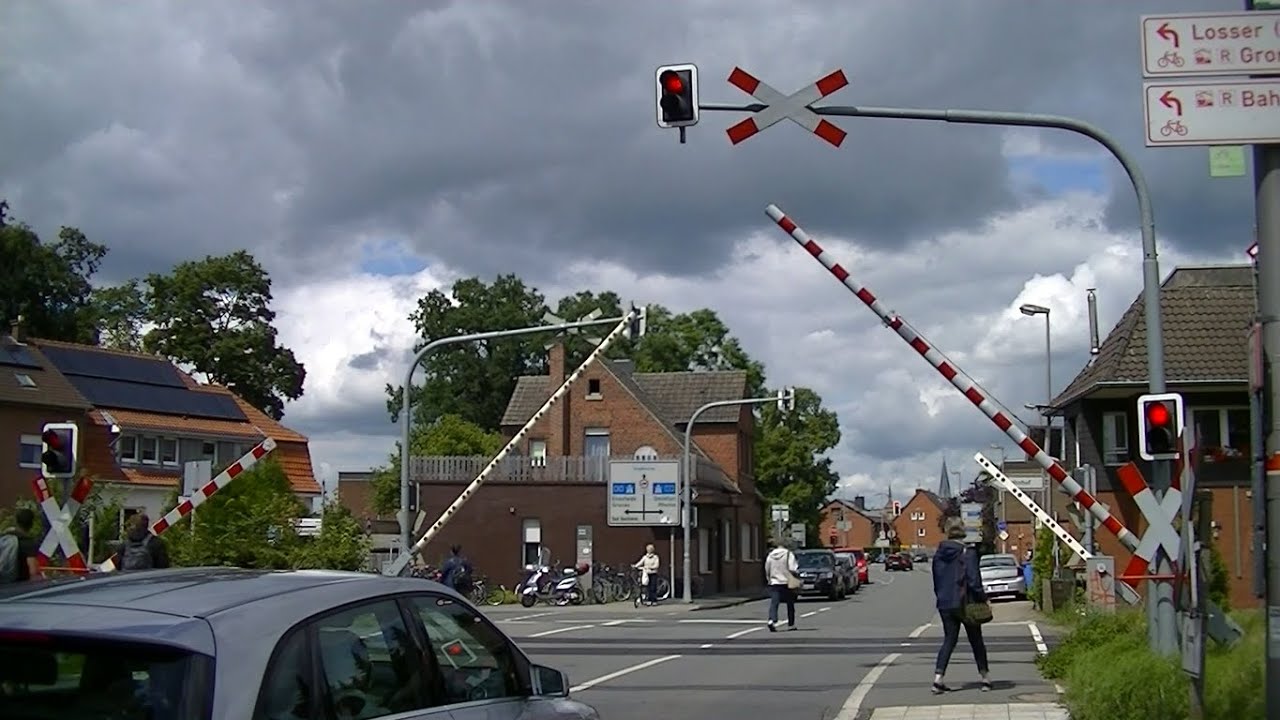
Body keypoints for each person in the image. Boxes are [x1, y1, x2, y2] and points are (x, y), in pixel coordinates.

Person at [930, 517, 991, 694]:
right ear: (963, 531)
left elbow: (936, 581)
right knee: (976, 640)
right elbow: (973, 580)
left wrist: (942, 596)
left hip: (945, 603)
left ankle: (938, 679)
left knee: (949, 639)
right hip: (966, 602)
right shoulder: (968, 552)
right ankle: (985, 678)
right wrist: (983, 598)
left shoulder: (939, 554)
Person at [763, 537, 800, 632]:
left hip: (775, 582)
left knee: (774, 603)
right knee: (790, 603)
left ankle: (772, 620)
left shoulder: (770, 555)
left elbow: (767, 568)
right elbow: (793, 568)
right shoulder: (788, 554)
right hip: (787, 582)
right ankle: (791, 624)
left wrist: (769, 579)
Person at [0, 507, 41, 583]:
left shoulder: (4, 537)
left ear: (16, 521)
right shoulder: (27, 542)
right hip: (20, 586)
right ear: (31, 523)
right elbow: (33, 571)